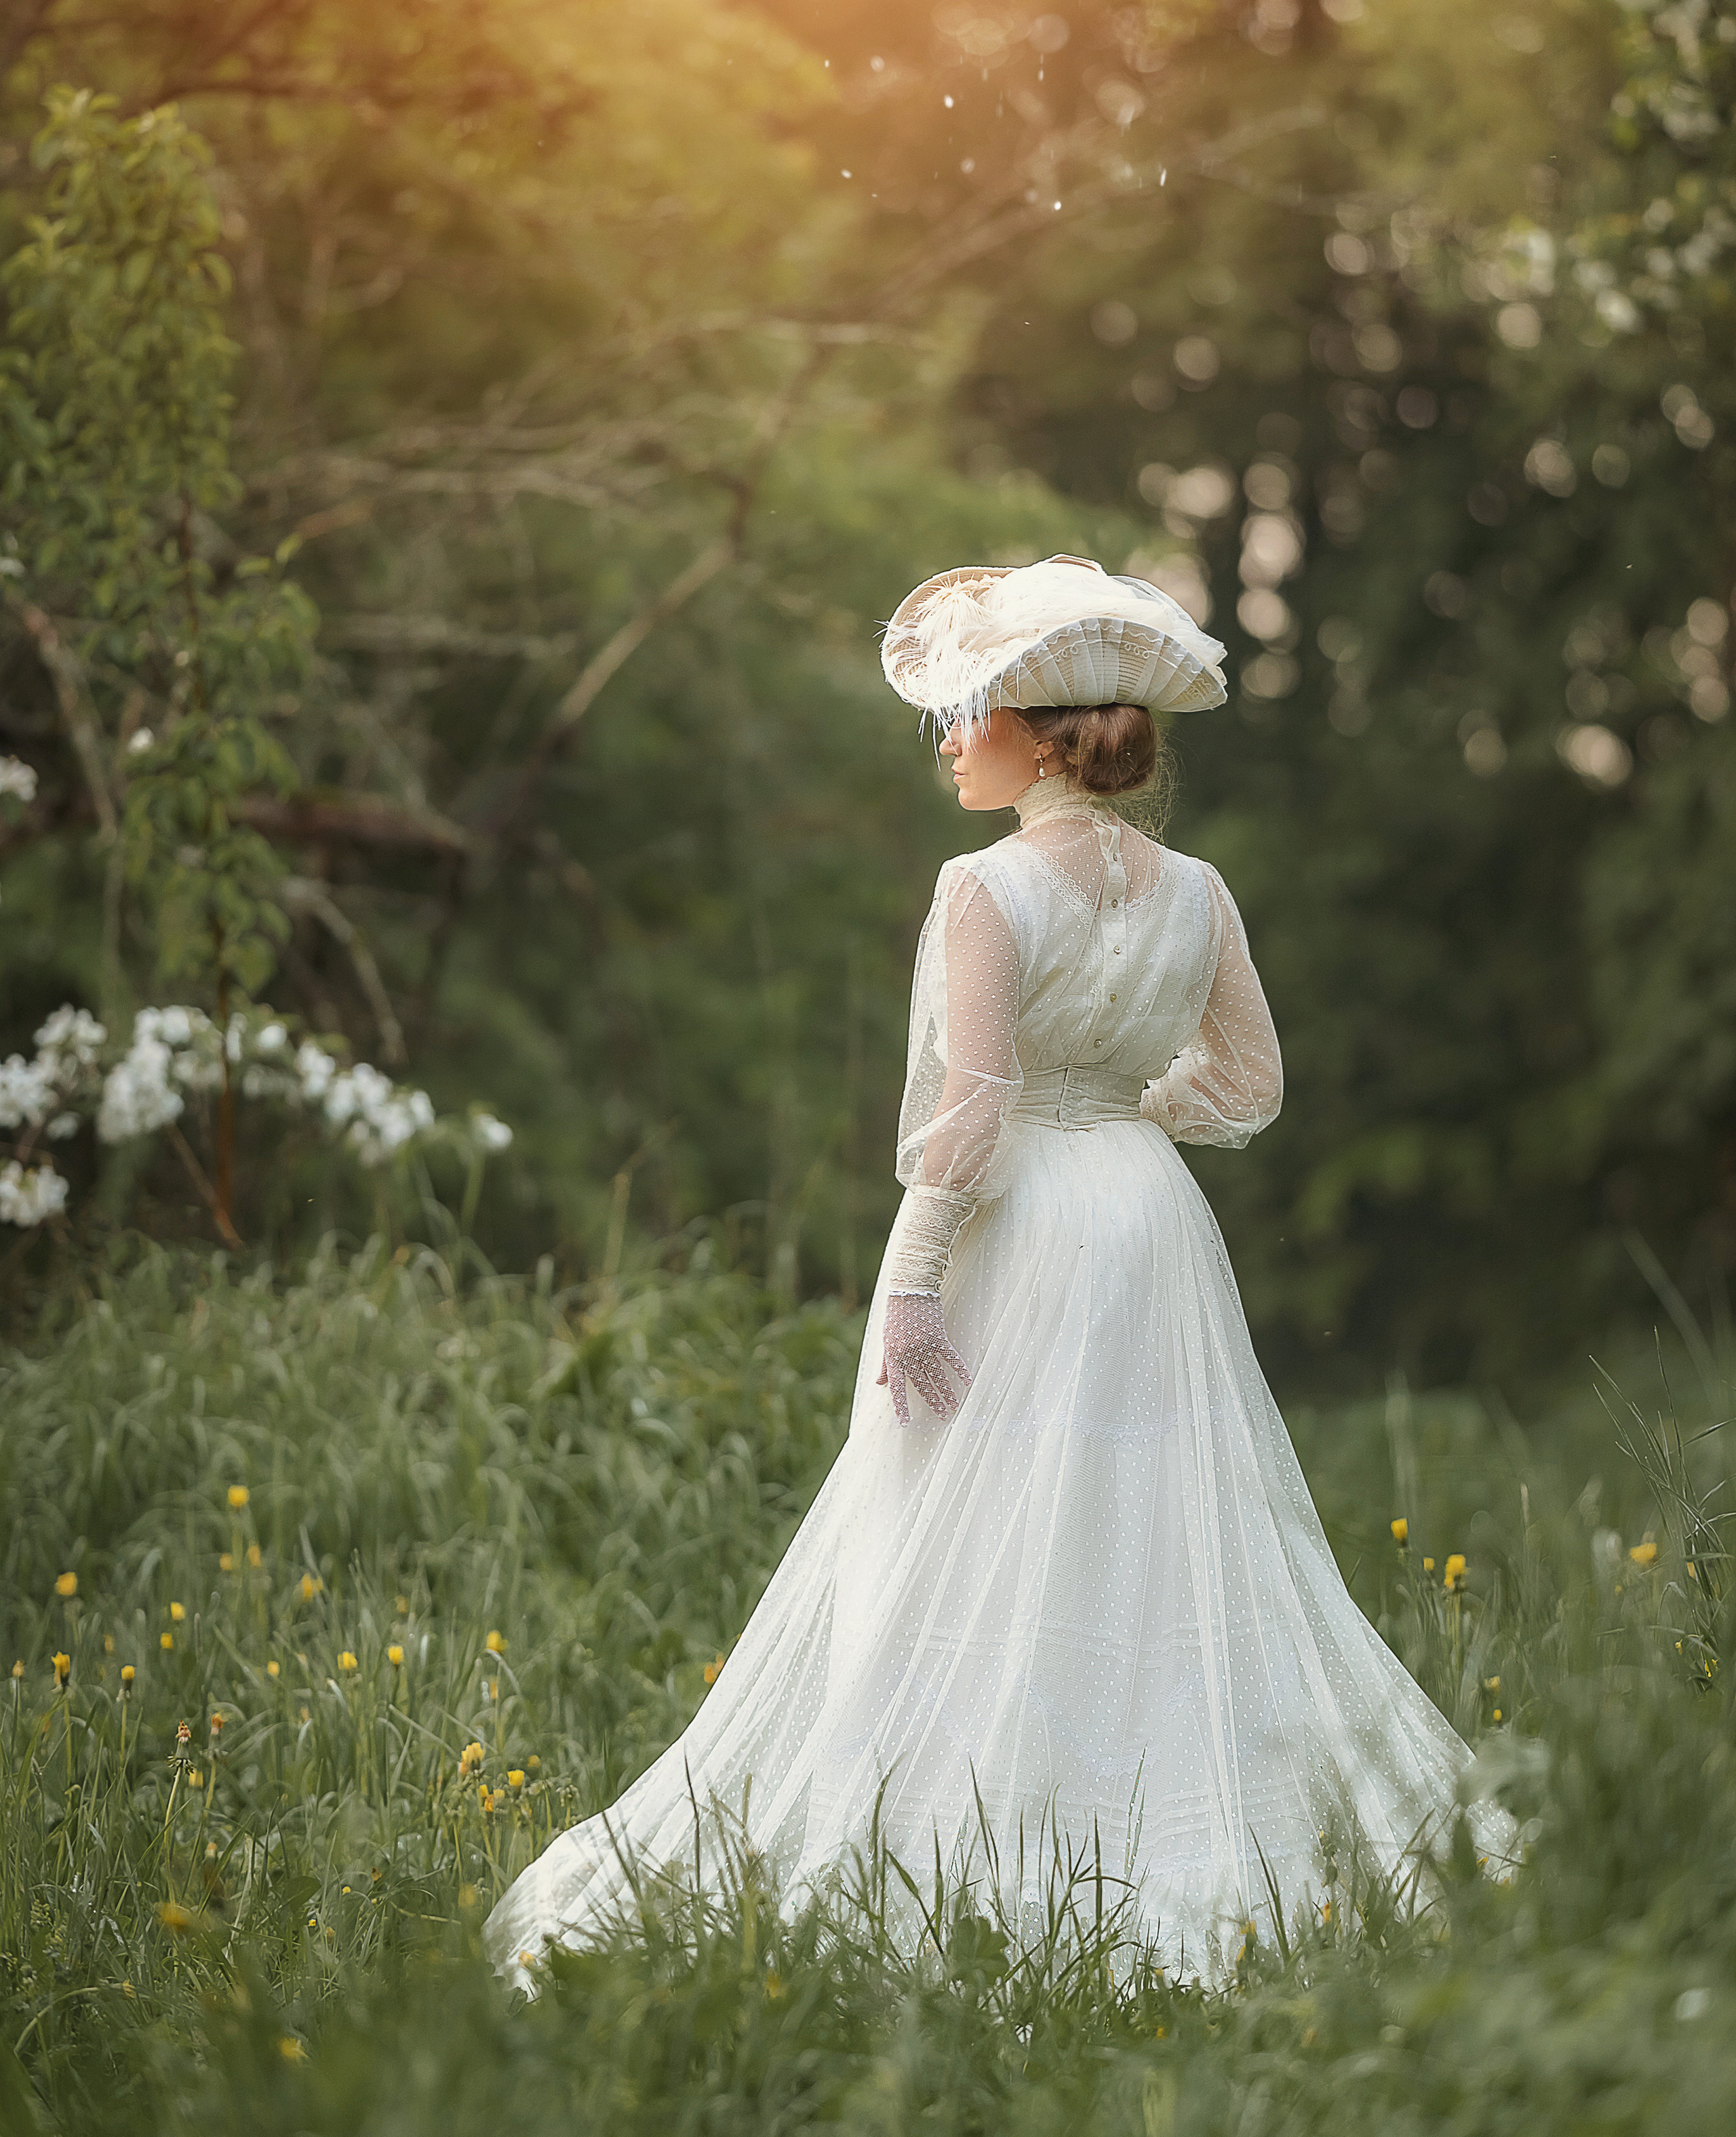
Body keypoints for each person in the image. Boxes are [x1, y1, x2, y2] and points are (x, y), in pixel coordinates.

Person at [486, 555, 1505, 1989]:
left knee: (956, 1515)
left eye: (964, 713)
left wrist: (907, 1280)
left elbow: (965, 1118)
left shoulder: (981, 888)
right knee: (1141, 1513)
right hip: (1146, 1223)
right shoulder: (1196, 887)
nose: (950, 740)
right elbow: (1252, 1082)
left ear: (1031, 727)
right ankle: (1151, 1804)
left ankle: (976, 1830)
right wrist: (1130, 1122)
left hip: (1016, 1222)